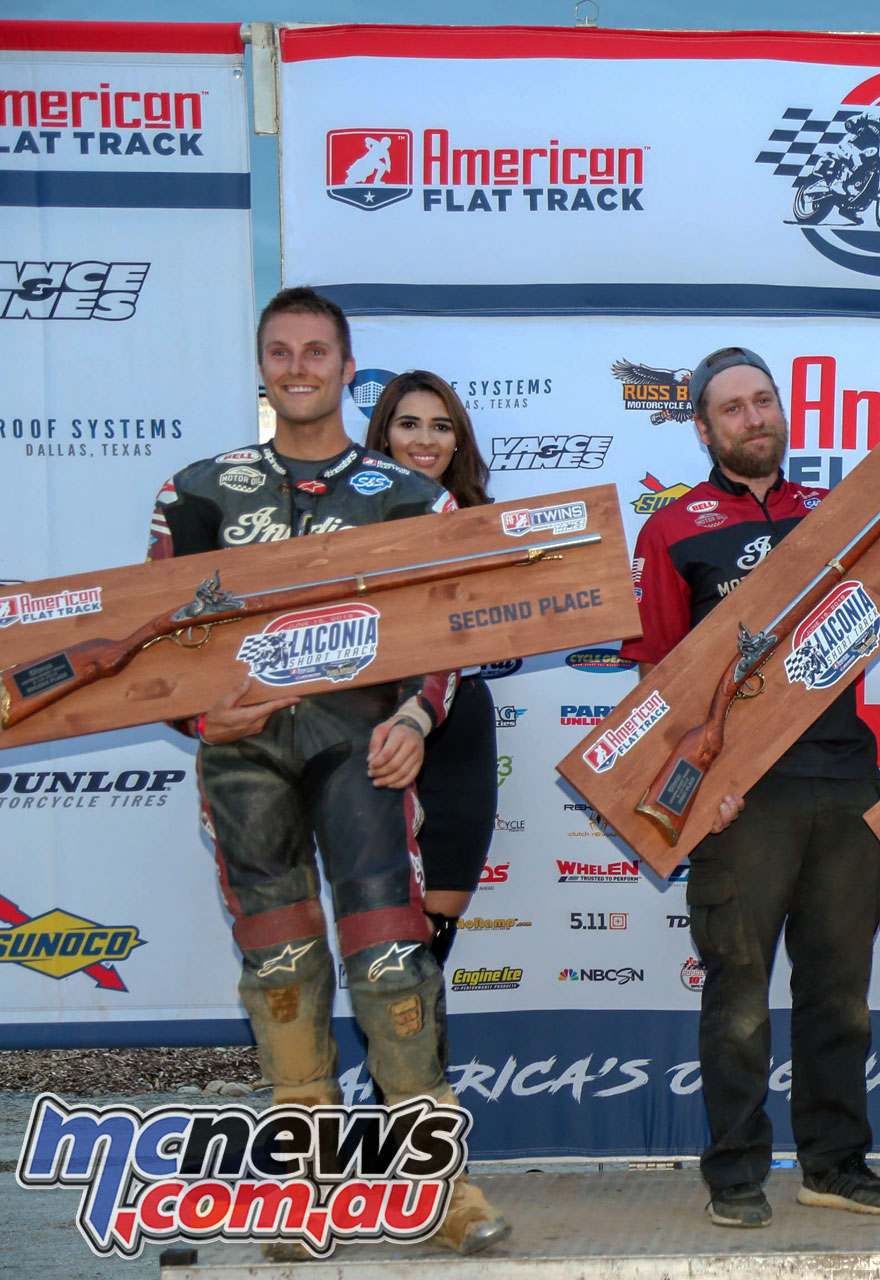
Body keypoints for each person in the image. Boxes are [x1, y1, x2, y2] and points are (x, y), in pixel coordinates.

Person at [621, 347, 880, 1229]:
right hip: (740, 798)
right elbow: (655, 683)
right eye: (733, 407)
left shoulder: (833, 513)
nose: (754, 417)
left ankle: (835, 1163)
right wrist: (697, 793)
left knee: (840, 990)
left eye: (764, 401)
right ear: (703, 426)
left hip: (844, 774)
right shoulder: (672, 529)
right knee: (737, 993)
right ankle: (734, 1173)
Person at [147, 288, 509, 1256]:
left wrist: (417, 715)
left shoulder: (410, 493)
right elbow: (156, 639)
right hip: (242, 750)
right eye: (281, 351)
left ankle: (439, 1186)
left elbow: (448, 629)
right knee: (278, 963)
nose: (299, 367)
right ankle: (303, 1188)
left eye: (317, 351)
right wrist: (196, 712)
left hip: (363, 745)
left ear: (350, 368)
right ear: (261, 364)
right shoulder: (196, 490)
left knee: (391, 954)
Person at [365, 369, 497, 968]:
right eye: (409, 423)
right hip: (370, 721)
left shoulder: (484, 526)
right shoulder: (343, 528)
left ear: (458, 440)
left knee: (435, 930)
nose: (426, 439)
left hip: (459, 725)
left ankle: (416, 1063)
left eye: (441, 426)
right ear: (384, 435)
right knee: (379, 916)